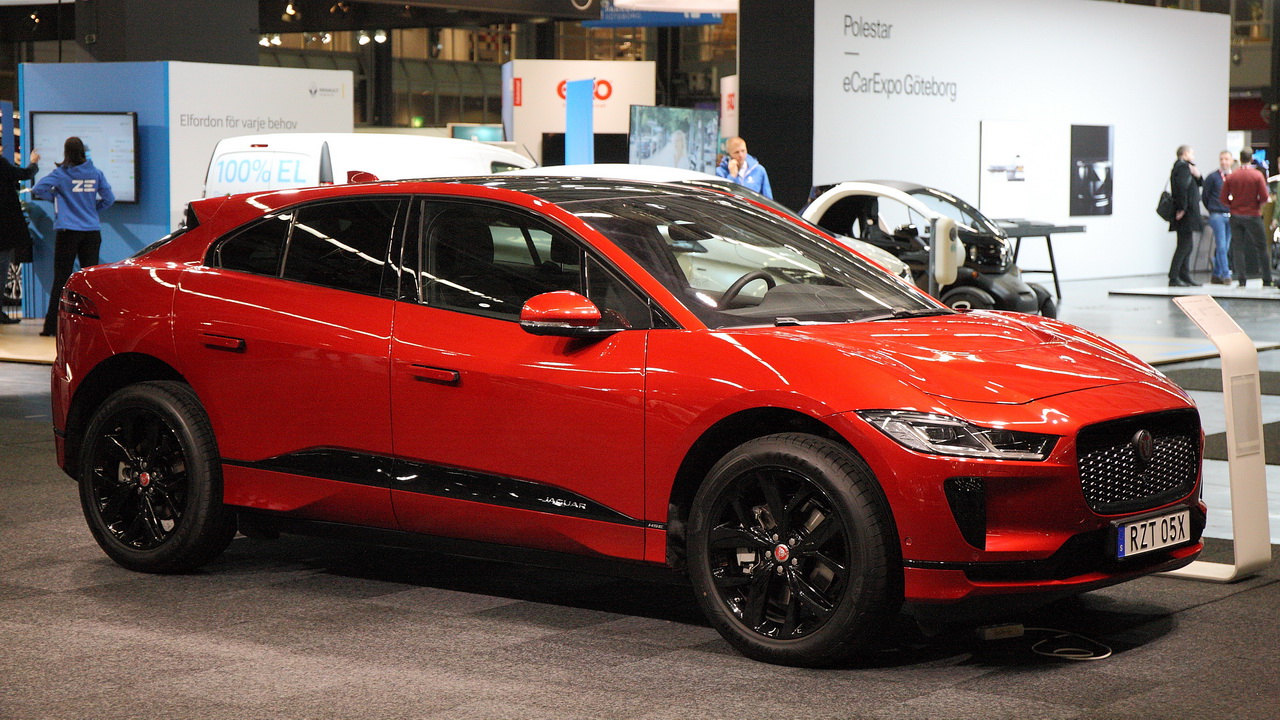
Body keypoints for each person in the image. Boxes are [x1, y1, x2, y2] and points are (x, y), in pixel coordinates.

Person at [32, 136, 114, 336]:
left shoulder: (61, 174)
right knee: (88, 281)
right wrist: (92, 210)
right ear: (83, 152)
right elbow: (109, 198)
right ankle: (90, 329)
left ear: (66, 152)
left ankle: (51, 327)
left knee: (61, 279)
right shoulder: (95, 172)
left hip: (67, 232)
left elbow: (38, 189)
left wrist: (56, 198)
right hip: (91, 232)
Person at [1220, 147, 1273, 288]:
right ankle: (1266, 279)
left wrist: (1233, 205)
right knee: (1261, 247)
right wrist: (1257, 205)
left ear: (1240, 158)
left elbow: (1223, 198)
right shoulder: (1257, 175)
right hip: (1253, 214)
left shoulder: (1232, 176)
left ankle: (1241, 279)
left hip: (1236, 215)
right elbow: (1264, 197)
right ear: (1251, 159)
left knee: (1238, 248)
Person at [0, 142, 39, 324]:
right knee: (1, 270)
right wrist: (34, 163)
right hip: (4, 231)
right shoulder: (1, 164)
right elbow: (24, 174)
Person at [1166, 145, 1202, 287]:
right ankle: (1174, 276)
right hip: (1186, 213)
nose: (1193, 156)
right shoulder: (1182, 167)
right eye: (1191, 153)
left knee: (1187, 245)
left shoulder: (1185, 167)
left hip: (1186, 211)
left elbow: (1199, 183)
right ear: (1185, 153)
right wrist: (1182, 208)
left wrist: (1198, 175)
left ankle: (1184, 275)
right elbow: (1182, 188)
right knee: (1184, 245)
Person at [1201, 150, 1234, 285]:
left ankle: (1216, 274)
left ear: (1231, 160)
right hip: (1217, 214)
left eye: (1226, 159)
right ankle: (1226, 274)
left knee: (1225, 246)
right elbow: (1205, 196)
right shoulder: (1213, 177)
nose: (1223, 162)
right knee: (1221, 245)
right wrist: (1212, 209)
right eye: (1221, 159)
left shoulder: (1234, 177)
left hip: (1231, 215)